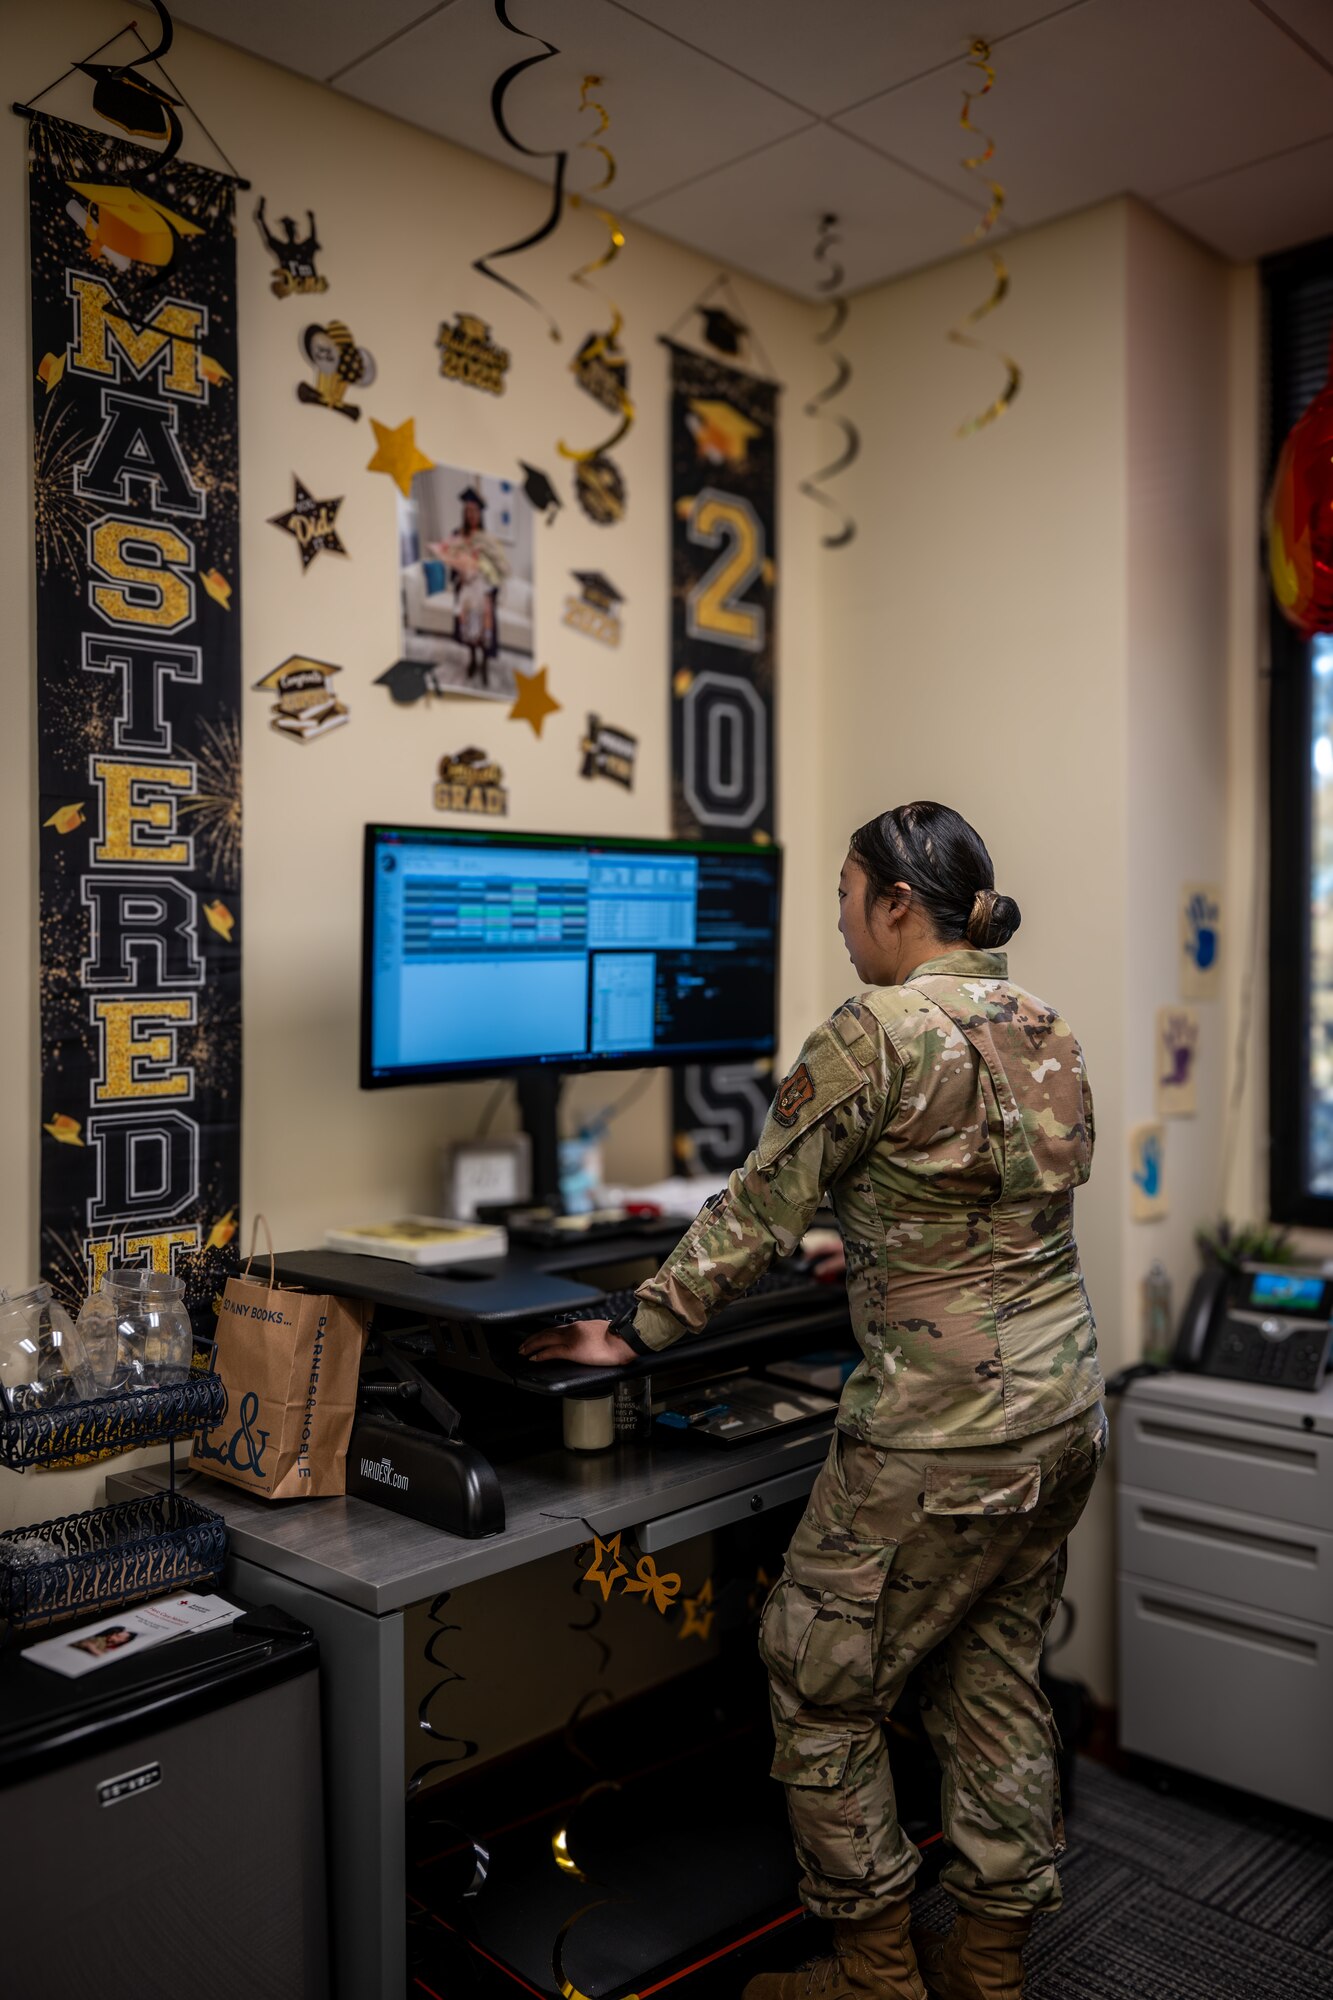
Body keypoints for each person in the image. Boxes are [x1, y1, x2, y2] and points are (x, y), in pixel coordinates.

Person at [520, 802, 1106, 2000]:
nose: (839, 919)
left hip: (938, 1440)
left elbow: (755, 1210)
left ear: (897, 902)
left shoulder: (876, 1028)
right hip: (1059, 1418)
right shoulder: (1042, 1022)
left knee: (815, 1676)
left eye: (845, 893)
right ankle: (988, 1970)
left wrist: (630, 1328)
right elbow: (994, 1207)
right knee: (992, 1677)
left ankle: (873, 1973)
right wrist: (874, 1241)